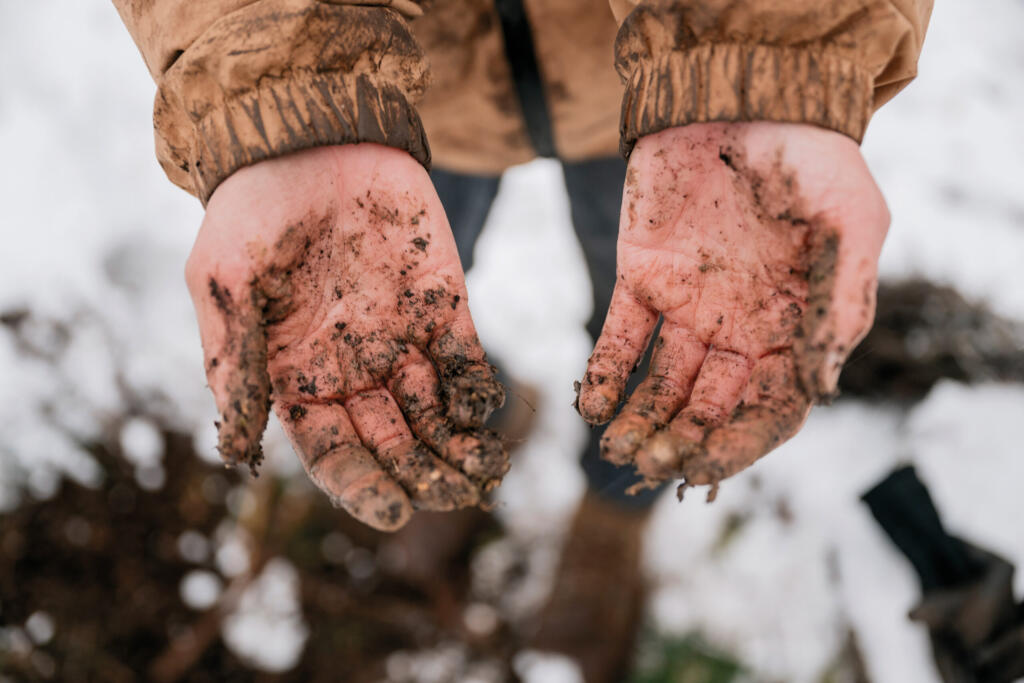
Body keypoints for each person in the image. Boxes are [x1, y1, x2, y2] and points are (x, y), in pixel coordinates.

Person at [113, 0, 932, 678]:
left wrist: (759, 49)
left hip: (660, 73)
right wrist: (284, 89)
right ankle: (467, 424)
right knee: (388, 304)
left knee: (661, 313)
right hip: (388, 79)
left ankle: (612, 510)